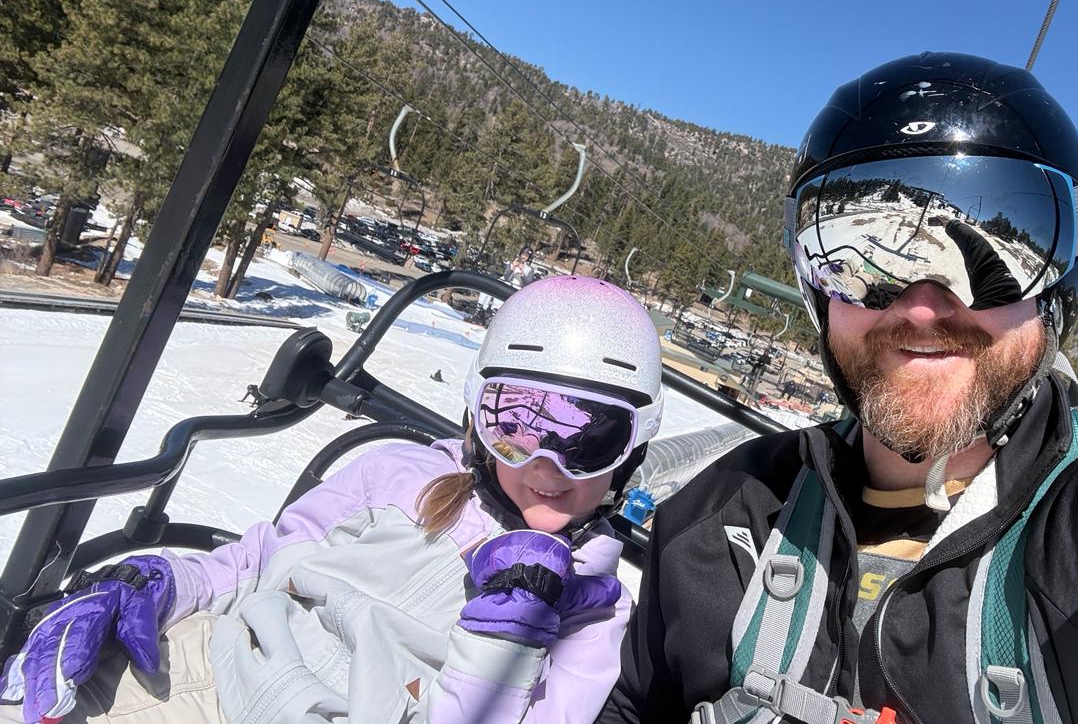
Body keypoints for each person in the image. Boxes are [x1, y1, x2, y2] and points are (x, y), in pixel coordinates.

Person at [598, 53, 1078, 723]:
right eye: (857, 269)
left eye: (1001, 262)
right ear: (817, 289)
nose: (922, 309)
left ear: (1058, 288)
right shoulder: (720, 519)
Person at [3, 275, 664, 724]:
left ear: (632, 450)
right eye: (513, 425)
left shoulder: (593, 615)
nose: (547, 465)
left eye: (590, 439)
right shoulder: (399, 477)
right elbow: (260, 562)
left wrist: (504, 648)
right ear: (475, 419)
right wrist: (161, 583)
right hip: (201, 675)